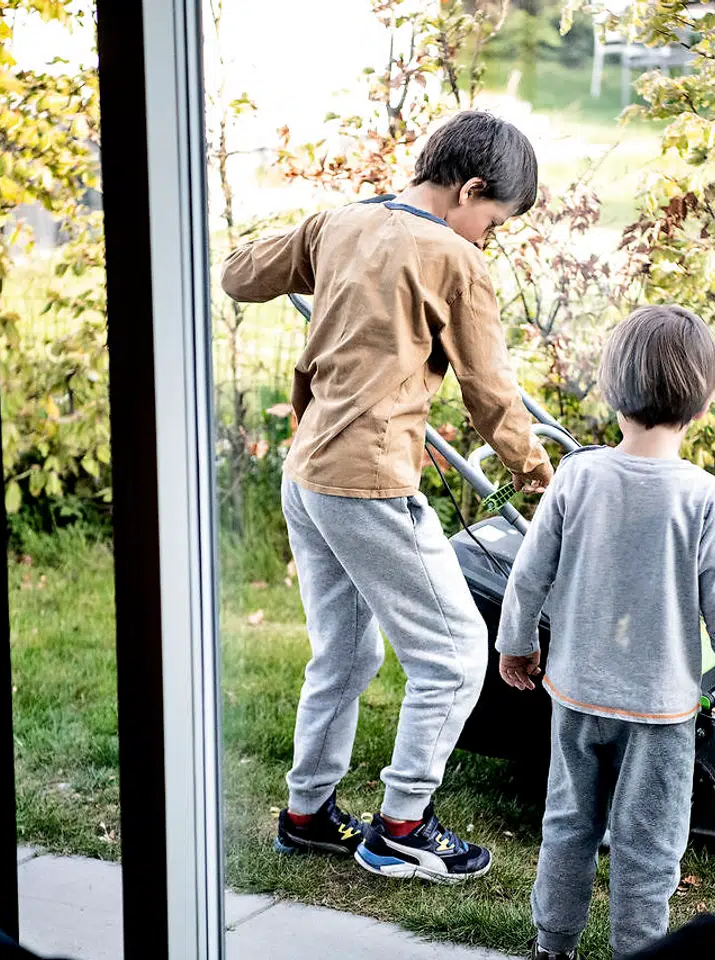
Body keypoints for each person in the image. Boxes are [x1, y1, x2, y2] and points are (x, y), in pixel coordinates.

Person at [220, 111, 554, 884]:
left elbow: (240, 275)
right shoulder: (456, 261)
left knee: (347, 650)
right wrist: (541, 476)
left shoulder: (341, 222)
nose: (487, 240)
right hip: (367, 481)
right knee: (455, 652)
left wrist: (330, 248)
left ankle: (307, 813)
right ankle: (402, 824)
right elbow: (491, 394)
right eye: (493, 223)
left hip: (306, 474)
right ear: (471, 190)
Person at [496, 306, 715, 957]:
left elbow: (528, 576)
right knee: (648, 846)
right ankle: (638, 955)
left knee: (567, 825)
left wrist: (517, 643)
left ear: (614, 392)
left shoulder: (578, 476)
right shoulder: (705, 498)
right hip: (661, 708)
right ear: (701, 407)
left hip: (577, 693)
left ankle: (551, 946)